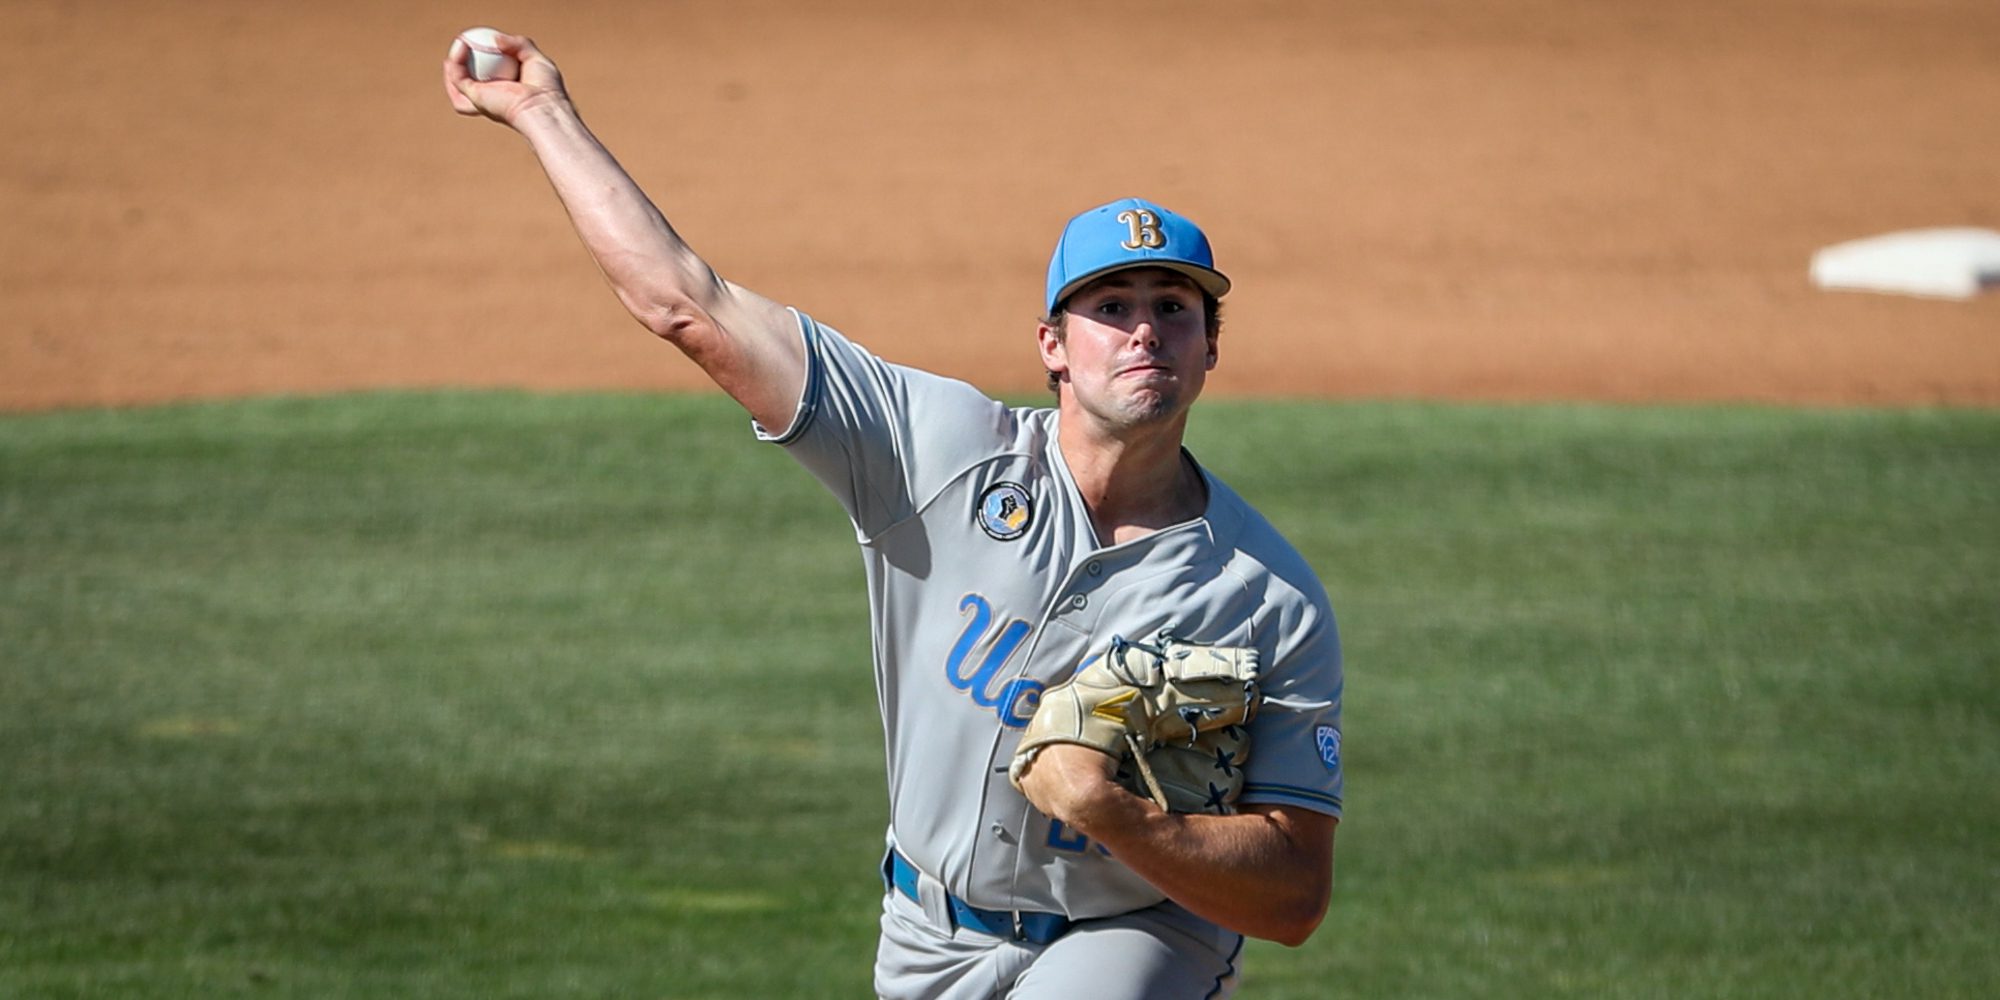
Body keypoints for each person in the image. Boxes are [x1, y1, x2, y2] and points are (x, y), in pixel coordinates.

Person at [444, 31, 1343, 999]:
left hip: (1140, 932)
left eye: (1173, 308)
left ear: (1210, 347)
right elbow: (686, 304)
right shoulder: (939, 453)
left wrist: (1116, 814)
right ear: (1051, 344)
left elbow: (1294, 897)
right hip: (925, 934)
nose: (1144, 331)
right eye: (1111, 306)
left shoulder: (1266, 599)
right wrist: (542, 112)